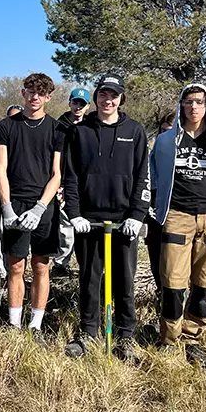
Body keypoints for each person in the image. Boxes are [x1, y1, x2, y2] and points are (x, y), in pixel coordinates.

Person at [151, 84, 206, 369]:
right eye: (188, 102)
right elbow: (152, 174)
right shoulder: (166, 142)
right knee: (173, 282)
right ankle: (169, 338)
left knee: (204, 284)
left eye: (199, 102)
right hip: (178, 215)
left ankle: (193, 338)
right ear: (181, 105)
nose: (193, 107)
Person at [62, 74, 149, 363]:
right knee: (89, 278)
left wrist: (137, 215)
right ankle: (88, 332)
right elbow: (70, 176)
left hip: (124, 221)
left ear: (121, 98)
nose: (107, 100)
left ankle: (126, 335)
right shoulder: (80, 131)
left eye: (113, 95)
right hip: (89, 220)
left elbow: (141, 177)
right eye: (102, 94)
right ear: (96, 97)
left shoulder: (135, 132)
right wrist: (74, 214)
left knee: (124, 279)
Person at [0, 73, 63, 341]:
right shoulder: (7, 126)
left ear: (48, 97)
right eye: (31, 91)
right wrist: (7, 207)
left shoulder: (57, 129)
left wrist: (40, 208)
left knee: (41, 266)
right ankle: (14, 322)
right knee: (15, 266)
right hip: (15, 201)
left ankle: (35, 324)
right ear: (23, 93)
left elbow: (57, 174)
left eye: (41, 93)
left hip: (43, 204)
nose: (35, 97)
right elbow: (0, 169)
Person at [54, 88, 92, 274]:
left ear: (88, 107)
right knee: (65, 229)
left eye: (82, 104)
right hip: (62, 183)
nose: (78, 107)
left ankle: (86, 266)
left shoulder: (93, 127)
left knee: (86, 227)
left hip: (87, 184)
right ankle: (61, 266)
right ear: (69, 102)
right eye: (75, 102)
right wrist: (57, 184)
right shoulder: (58, 127)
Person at [145, 111, 176, 302]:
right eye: (162, 131)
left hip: (178, 212)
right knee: (156, 257)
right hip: (155, 210)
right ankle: (160, 297)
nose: (164, 136)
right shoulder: (153, 153)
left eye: (169, 131)